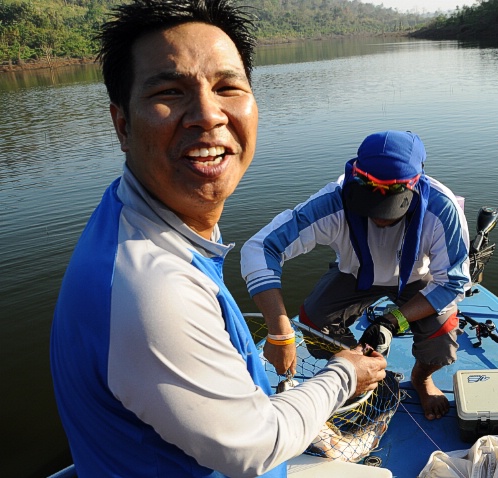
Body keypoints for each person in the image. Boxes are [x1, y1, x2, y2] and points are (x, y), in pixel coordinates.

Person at [49, 1, 386, 477]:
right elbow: (255, 448)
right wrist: (345, 374)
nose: (208, 115)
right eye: (169, 91)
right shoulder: (150, 288)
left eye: (227, 86)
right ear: (122, 124)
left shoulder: (135, 217)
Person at [241, 130, 471, 421]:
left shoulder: (442, 209)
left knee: (442, 336)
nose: (380, 217)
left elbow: (453, 282)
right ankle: (357, 368)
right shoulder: (333, 202)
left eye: (391, 208)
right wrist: (280, 331)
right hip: (356, 274)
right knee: (313, 319)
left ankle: (422, 379)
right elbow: (261, 247)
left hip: (417, 279)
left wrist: (392, 320)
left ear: (415, 186)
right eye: (368, 205)